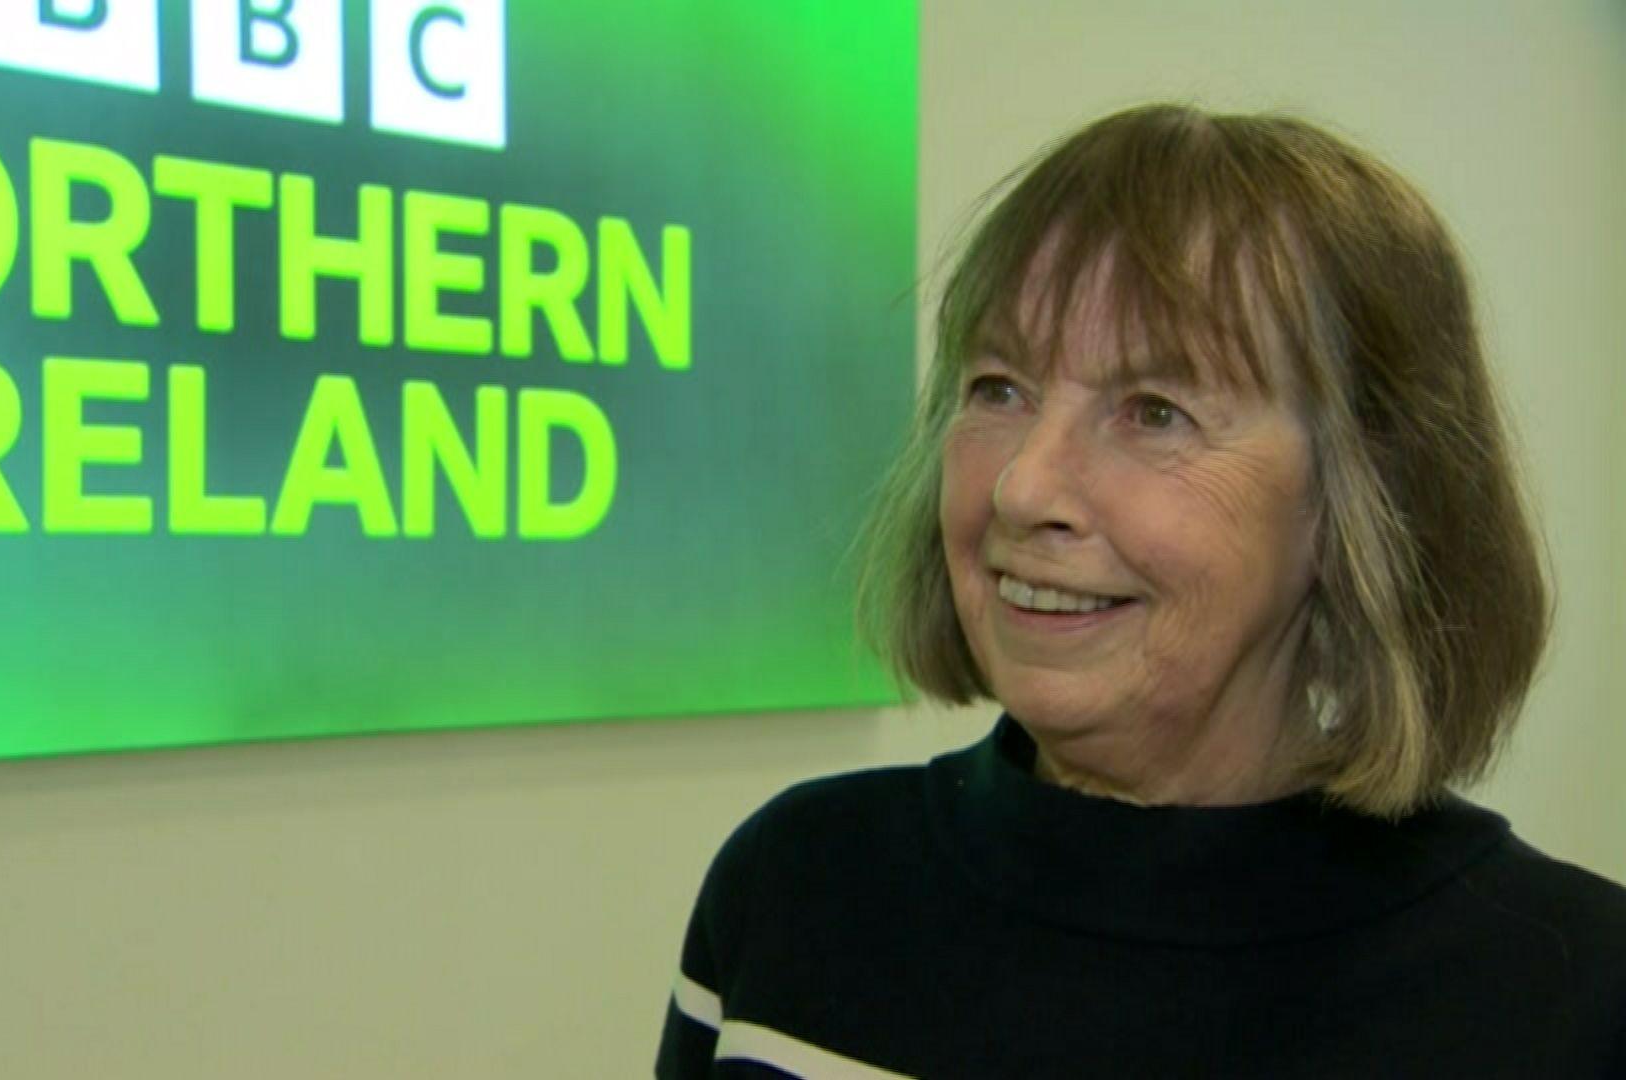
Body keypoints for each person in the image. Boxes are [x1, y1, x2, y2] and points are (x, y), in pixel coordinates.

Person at [655, 104, 1626, 1078]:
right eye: (999, 387)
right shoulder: (794, 887)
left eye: (1155, 412)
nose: (1023, 487)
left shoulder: (1573, 998)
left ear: (1362, 503)